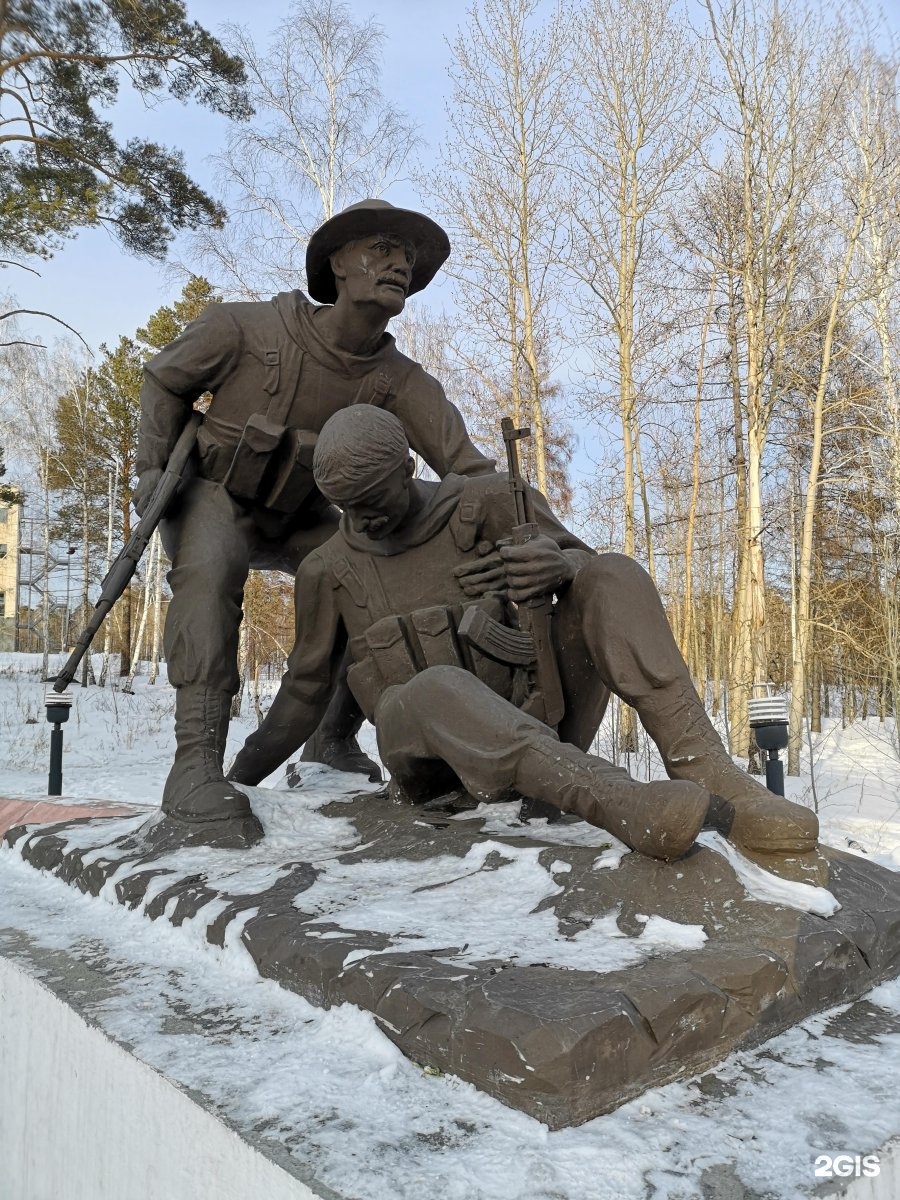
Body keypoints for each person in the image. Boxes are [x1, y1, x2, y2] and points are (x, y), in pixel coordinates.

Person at [228, 406, 818, 862]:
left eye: (373, 501)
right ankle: (618, 802)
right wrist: (231, 784)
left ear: (408, 469)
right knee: (435, 687)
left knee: (612, 572)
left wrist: (564, 567)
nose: (361, 521)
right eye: (345, 507)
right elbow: (303, 693)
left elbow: (592, 584)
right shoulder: (327, 570)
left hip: (542, 724)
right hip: (430, 764)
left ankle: (708, 770)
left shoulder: (487, 501)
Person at [133, 200, 495, 847]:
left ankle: (332, 738)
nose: (398, 264)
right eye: (382, 248)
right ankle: (194, 769)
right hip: (217, 494)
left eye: (407, 257)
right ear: (338, 264)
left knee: (375, 574)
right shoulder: (245, 330)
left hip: (302, 516)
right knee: (210, 570)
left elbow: (472, 472)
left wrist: (512, 533)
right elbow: (163, 380)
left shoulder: (399, 382)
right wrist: (150, 474)